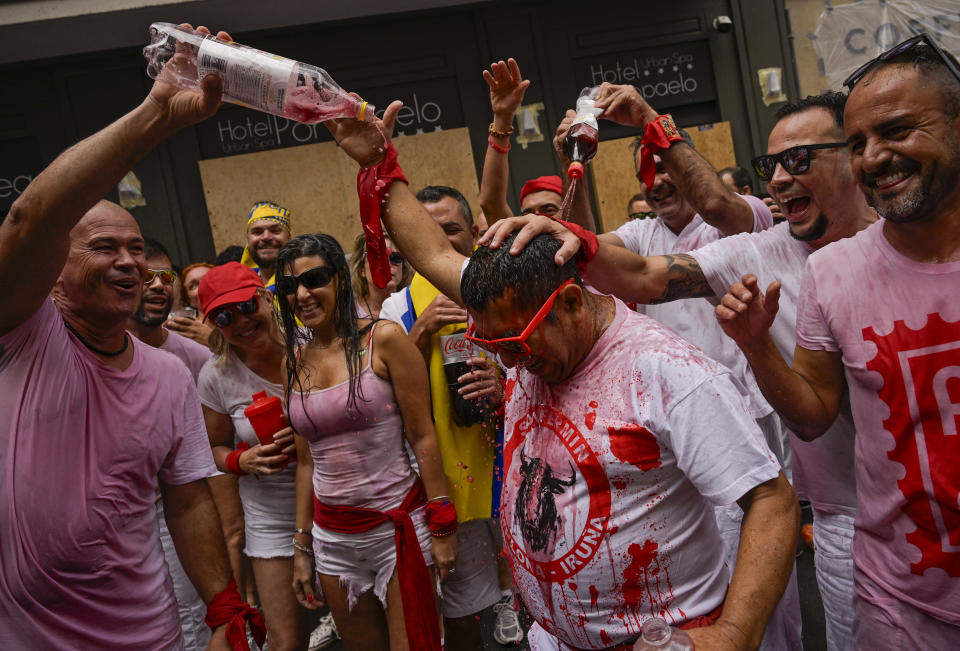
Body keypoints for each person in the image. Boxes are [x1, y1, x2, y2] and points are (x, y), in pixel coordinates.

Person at [323, 99, 800, 651]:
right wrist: (381, 165)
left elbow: (771, 501)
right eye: (493, 343)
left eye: (518, 344)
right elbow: (431, 253)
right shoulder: (518, 309)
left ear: (573, 302)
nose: (507, 361)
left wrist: (734, 636)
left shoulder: (670, 373)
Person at [482, 89, 876, 651]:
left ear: (856, 155)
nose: (783, 179)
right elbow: (636, 274)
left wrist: (648, 119)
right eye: (772, 167)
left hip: (772, 438)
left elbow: (717, 206)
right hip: (836, 511)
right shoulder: (760, 248)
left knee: (770, 589)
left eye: (801, 159)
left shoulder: (759, 223)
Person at [0, 24, 257, 649]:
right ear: (55, 264)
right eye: (104, 247)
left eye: (138, 250)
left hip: (151, 635)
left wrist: (226, 610)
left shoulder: (171, 373)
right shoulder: (22, 332)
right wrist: (156, 116)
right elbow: (34, 215)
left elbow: (189, 499)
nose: (129, 263)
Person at [714, 35, 960, 647]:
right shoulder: (832, 270)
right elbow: (815, 416)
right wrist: (755, 344)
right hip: (896, 598)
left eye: (898, 131)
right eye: (857, 145)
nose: (874, 158)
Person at [556, 82, 802, 649]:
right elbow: (585, 250)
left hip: (745, 415)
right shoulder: (642, 234)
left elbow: (717, 204)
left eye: (665, 165)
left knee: (760, 558)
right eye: (647, 172)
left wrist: (649, 120)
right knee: (699, 566)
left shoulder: (748, 218)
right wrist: (572, 159)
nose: (659, 180)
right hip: (673, 428)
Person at [278, 234, 456, 651]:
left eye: (314, 279)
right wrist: (302, 545)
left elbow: (423, 434)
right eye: (289, 287)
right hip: (333, 541)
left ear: (341, 278)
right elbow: (306, 462)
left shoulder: (385, 339)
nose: (302, 294)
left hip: (397, 533)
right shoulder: (294, 361)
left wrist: (443, 523)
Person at [379, 185, 515, 649]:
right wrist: (419, 333)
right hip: (450, 480)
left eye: (451, 230)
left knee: (536, 588)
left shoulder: (508, 293)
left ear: (476, 234)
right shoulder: (396, 309)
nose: (440, 242)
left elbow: (546, 373)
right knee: (462, 607)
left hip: (512, 464)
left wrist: (503, 386)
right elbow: (385, 396)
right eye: (429, 231)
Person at [197, 262, 309, 651]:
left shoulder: (308, 344)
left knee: (361, 625)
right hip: (271, 515)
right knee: (285, 640)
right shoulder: (216, 374)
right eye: (223, 317)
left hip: (332, 499)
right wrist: (240, 462)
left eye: (245, 306)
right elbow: (211, 449)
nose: (240, 322)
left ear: (265, 296)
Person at [479, 58, 563, 222]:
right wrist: (502, 117)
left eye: (549, 210)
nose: (536, 218)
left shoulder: (585, 242)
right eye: (528, 213)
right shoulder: (519, 243)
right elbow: (490, 205)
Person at [350, 232, 410, 318]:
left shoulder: (413, 309)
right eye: (378, 257)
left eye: (395, 257)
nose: (388, 264)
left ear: (403, 269)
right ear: (361, 270)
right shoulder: (349, 313)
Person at [241, 201, 292, 291]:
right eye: (257, 232)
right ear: (248, 240)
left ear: (289, 238)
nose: (266, 237)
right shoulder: (240, 287)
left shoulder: (304, 283)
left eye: (275, 231)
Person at [168, 260, 216, 347]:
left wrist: (213, 340)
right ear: (188, 299)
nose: (203, 286)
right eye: (193, 285)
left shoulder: (241, 313)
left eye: (209, 279)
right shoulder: (185, 329)